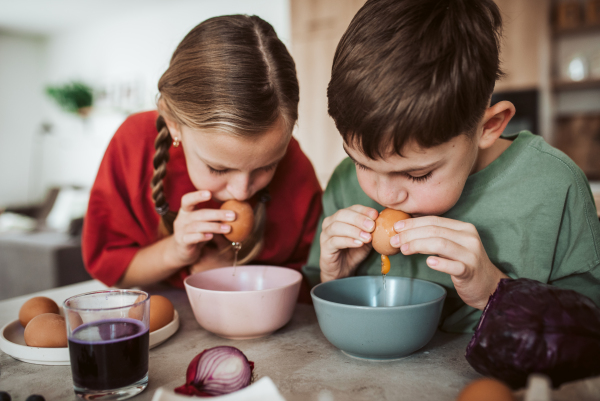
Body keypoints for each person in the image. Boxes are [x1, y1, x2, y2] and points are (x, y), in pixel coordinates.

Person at [303, 0, 600, 331]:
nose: (384, 194)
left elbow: (589, 328)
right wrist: (334, 280)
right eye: (361, 162)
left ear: (488, 127)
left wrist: (496, 292)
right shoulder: (345, 185)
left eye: (418, 174)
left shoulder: (555, 187)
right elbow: (310, 312)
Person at [83, 15, 322, 302]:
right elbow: (112, 271)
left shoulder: (295, 167)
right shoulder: (133, 144)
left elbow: (312, 283)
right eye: (218, 168)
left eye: (267, 166)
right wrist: (174, 251)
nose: (242, 190)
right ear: (173, 123)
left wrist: (235, 274)